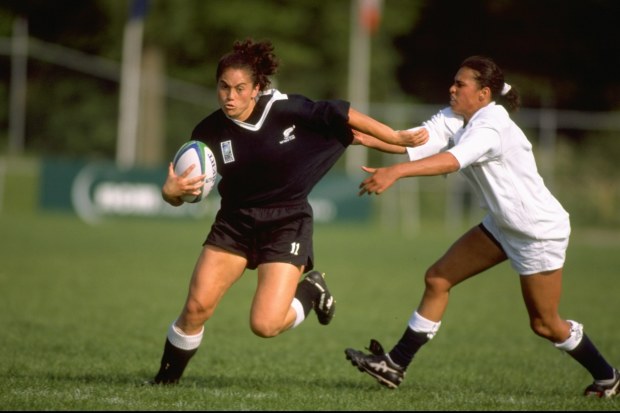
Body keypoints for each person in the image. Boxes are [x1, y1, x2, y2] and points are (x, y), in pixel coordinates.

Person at [149, 38, 427, 385]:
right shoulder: (207, 132)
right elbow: (182, 193)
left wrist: (398, 139)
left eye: (239, 88)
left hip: (286, 223)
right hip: (235, 223)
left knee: (264, 325)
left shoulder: (287, 111)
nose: (229, 97)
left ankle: (310, 291)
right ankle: (164, 384)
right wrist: (170, 193)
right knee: (196, 308)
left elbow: (343, 115)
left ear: (257, 89)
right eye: (223, 87)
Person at [344, 55, 619, 398]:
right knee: (438, 278)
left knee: (545, 324)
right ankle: (394, 365)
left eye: (460, 84)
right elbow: (412, 140)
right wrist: (367, 139)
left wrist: (395, 173)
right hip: (504, 225)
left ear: (484, 93)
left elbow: (453, 159)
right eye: (453, 81)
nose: (452, 88)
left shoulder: (492, 125)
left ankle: (608, 377)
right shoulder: (456, 117)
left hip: (536, 232)